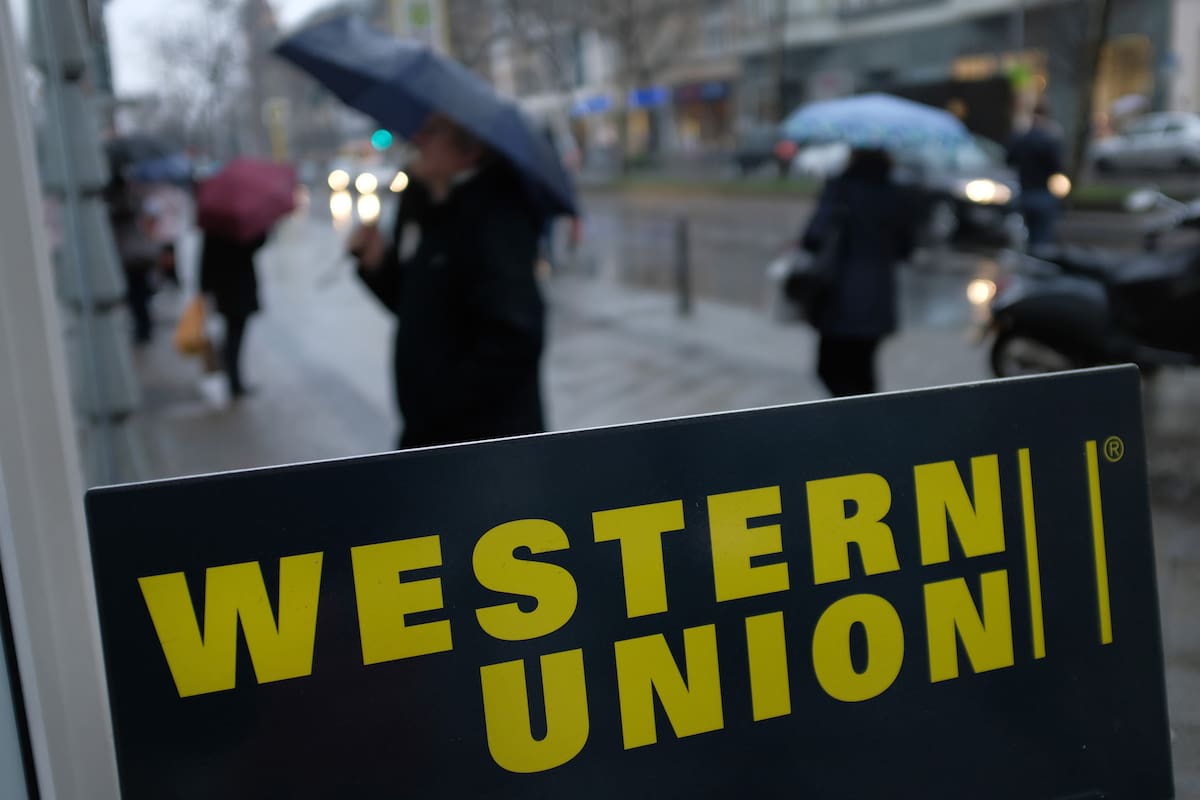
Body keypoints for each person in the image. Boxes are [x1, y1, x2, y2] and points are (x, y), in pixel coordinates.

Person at [349, 113, 546, 449]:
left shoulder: (495, 219)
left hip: (482, 445)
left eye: (433, 132)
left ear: (468, 151)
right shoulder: (428, 207)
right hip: (431, 435)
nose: (419, 141)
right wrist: (377, 264)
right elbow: (416, 306)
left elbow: (515, 338)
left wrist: (439, 400)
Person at [801, 147, 917, 397]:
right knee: (864, 370)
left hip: (837, 294)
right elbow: (906, 249)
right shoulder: (896, 193)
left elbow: (813, 237)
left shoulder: (839, 189)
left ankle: (850, 422)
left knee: (829, 368)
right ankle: (863, 422)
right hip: (878, 297)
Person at [199, 232, 267, 399]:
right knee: (235, 333)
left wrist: (204, 287)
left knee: (232, 332)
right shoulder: (243, 226)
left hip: (223, 285)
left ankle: (232, 375)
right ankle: (234, 379)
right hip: (240, 285)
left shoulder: (214, 225)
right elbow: (257, 244)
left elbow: (205, 258)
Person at [1007, 102, 1064, 250]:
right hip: (1042, 192)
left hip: (1025, 191)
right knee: (1042, 236)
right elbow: (1057, 167)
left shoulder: (1021, 138)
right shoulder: (1049, 139)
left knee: (1027, 234)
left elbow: (1009, 159)